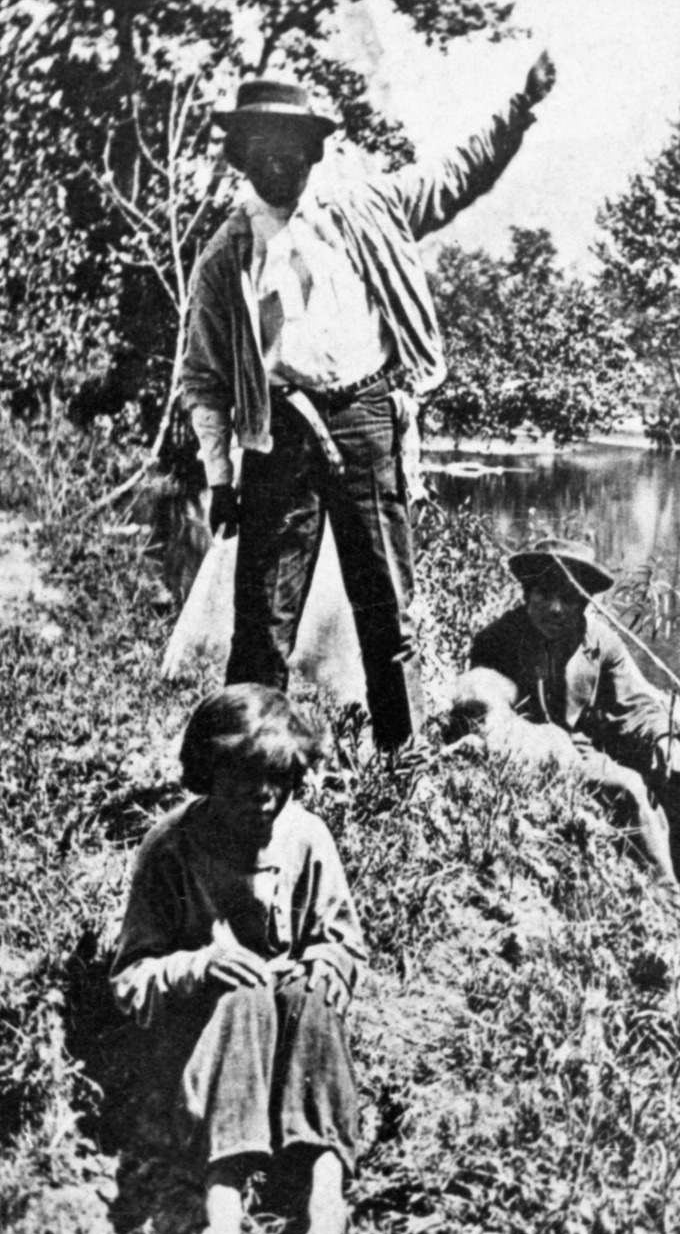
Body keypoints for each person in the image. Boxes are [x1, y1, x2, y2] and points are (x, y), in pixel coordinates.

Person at [181, 55, 557, 752]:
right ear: (243, 155)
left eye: (292, 150)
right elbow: (202, 379)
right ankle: (248, 767)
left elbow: (455, 177)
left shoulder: (364, 211)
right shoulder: (226, 255)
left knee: (390, 611)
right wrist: (219, 476)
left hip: (368, 420)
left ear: (312, 153)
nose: (280, 164)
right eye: (264, 150)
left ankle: (403, 765)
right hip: (279, 436)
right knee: (263, 621)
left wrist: (521, 108)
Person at [110, 685, 365, 1234]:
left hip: (295, 1033)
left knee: (308, 988)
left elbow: (343, 943)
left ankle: (325, 1214)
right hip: (209, 1042)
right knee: (244, 989)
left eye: (279, 780)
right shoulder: (171, 848)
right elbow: (129, 979)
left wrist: (327, 966)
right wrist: (197, 967)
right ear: (207, 774)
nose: (263, 797)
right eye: (244, 779)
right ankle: (221, 1221)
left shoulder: (305, 838)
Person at [458, 537, 680, 888]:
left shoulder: (600, 642)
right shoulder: (496, 641)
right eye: (544, 594)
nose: (555, 609)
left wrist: (663, 736)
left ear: (584, 601)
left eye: (568, 598)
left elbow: (635, 705)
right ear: (527, 593)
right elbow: (488, 715)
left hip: (585, 750)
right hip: (538, 752)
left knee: (676, 771)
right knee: (628, 786)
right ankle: (668, 899)